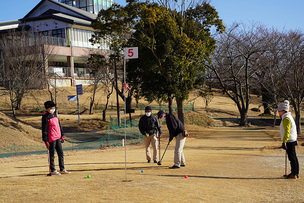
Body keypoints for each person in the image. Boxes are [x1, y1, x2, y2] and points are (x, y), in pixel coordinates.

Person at [42, 101, 70, 175]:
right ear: (48, 108)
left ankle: (62, 169)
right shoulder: (45, 117)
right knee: (52, 155)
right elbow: (44, 129)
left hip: (58, 137)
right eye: (52, 108)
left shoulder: (54, 115)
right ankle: (53, 170)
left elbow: (59, 125)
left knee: (60, 153)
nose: (53, 109)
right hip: (51, 138)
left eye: (54, 107)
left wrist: (62, 135)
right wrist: (45, 140)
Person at [277, 100, 299, 179]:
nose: (278, 112)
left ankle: (294, 173)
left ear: (283, 111)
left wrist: (285, 141)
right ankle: (295, 173)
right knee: (293, 157)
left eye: (279, 111)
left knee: (292, 157)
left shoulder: (286, 118)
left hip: (289, 140)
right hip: (292, 139)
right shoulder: (288, 117)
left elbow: (287, 131)